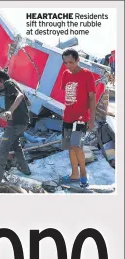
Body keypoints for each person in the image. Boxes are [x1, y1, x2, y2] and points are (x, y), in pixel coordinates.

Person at [59, 48, 96, 188]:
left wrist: (91, 120)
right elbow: (67, 96)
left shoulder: (87, 75)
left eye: (71, 62)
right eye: (65, 63)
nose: (68, 65)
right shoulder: (65, 74)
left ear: (78, 60)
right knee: (70, 147)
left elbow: (92, 98)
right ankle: (74, 174)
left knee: (76, 145)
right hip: (67, 117)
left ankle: (83, 173)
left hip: (81, 117)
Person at [0, 70, 31, 192]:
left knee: (1, 153)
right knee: (16, 145)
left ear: (1, 80)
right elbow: (28, 102)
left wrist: (10, 111)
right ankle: (25, 169)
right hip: (21, 122)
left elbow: (20, 96)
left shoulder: (8, 83)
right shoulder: (14, 84)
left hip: (16, 123)